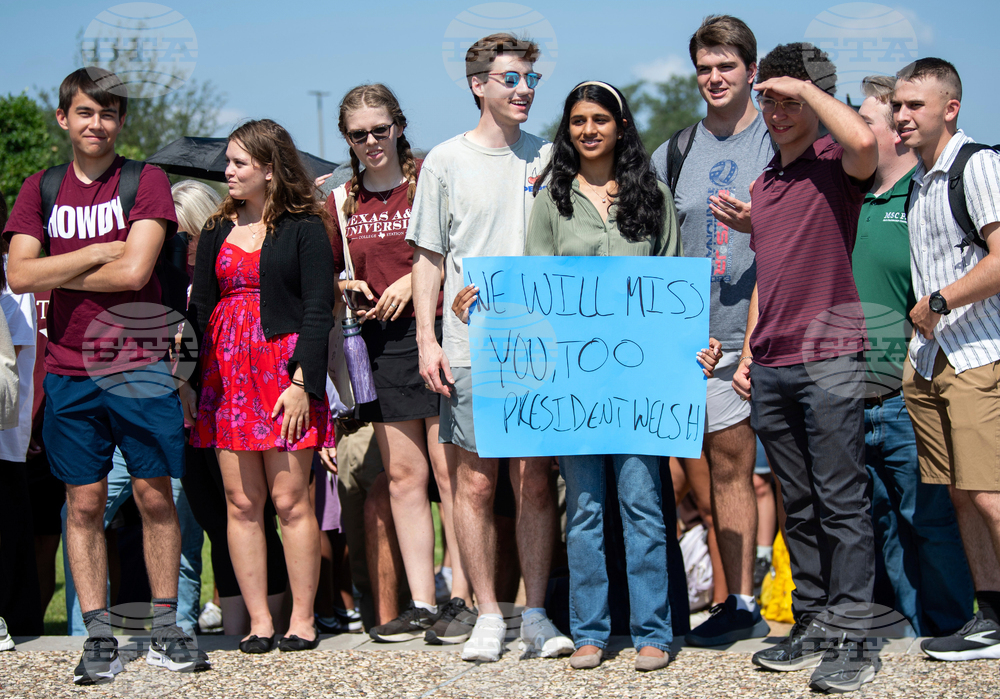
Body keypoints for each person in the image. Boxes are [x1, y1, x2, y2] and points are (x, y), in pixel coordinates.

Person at [4, 67, 208, 684]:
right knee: (83, 503)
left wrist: (54, 267)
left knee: (154, 498)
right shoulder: (39, 189)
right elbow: (17, 276)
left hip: (139, 366)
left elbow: (134, 273)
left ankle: (169, 627)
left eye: (109, 114)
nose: (98, 124)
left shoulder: (143, 180)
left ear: (121, 122)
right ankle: (97, 636)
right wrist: (95, 252)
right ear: (64, 118)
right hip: (68, 368)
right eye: (86, 113)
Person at [517, 80, 719, 671]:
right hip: (576, 387)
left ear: (620, 125)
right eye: (578, 120)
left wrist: (694, 343)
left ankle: (652, 630)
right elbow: (532, 287)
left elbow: (673, 284)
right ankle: (590, 632)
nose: (588, 130)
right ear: (568, 129)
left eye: (600, 119)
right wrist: (490, 307)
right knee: (582, 512)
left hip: (640, 386)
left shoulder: (653, 195)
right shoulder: (551, 200)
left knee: (643, 507)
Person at [406, 32, 573, 662]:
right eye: (511, 79)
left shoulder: (552, 157)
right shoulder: (444, 162)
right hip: (470, 346)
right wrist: (426, 338)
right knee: (473, 487)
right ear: (478, 85)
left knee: (535, 483)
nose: (525, 89)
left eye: (531, 78)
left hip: (543, 351)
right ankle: (485, 615)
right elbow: (426, 257)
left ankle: (534, 613)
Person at [729, 44, 880, 693]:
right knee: (801, 503)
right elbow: (773, 270)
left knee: (844, 501)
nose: (776, 109)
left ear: (817, 97)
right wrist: (748, 353)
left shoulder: (835, 164)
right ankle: (816, 619)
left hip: (832, 361)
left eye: (789, 97)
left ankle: (856, 636)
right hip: (774, 364)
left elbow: (865, 138)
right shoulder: (765, 184)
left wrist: (807, 87)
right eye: (768, 97)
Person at [325, 83, 472, 643]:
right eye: (358, 134)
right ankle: (421, 600)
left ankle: (463, 594)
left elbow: (455, 250)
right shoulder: (340, 200)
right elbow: (327, 272)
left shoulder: (428, 178)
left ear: (399, 126)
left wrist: (416, 283)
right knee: (404, 478)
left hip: (436, 336)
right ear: (347, 138)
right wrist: (346, 282)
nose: (370, 142)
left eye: (379, 130)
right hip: (380, 343)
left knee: (449, 474)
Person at [186, 118, 337, 653]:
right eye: (228, 162)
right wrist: (188, 380)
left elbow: (320, 308)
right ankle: (259, 623)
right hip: (224, 379)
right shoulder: (213, 230)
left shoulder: (303, 226)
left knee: (290, 501)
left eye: (239, 163)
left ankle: (301, 619)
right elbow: (198, 310)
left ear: (269, 170)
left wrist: (303, 382)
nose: (227, 172)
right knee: (240, 503)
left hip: (282, 375)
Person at [649, 15, 773, 646]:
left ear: (752, 70)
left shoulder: (778, 143)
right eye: (705, 67)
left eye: (727, 65)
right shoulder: (674, 153)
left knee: (746, 473)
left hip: (761, 336)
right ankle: (692, 602)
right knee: (680, 472)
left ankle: (747, 600)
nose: (715, 77)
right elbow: (646, 244)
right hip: (689, 343)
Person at [853, 74, 973, 638]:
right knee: (877, 521)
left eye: (866, 120)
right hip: (849, 396)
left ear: (899, 134)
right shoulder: (848, 199)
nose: (854, 130)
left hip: (910, 392)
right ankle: (902, 628)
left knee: (929, 520)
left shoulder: (927, 195)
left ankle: (954, 626)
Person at [892, 58, 1000, 661]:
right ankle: (990, 617)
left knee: (990, 493)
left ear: (950, 109)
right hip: (933, 359)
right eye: (897, 106)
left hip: (980, 354)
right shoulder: (923, 178)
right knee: (962, 494)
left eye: (915, 106)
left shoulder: (976, 164)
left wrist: (939, 300)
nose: (901, 116)